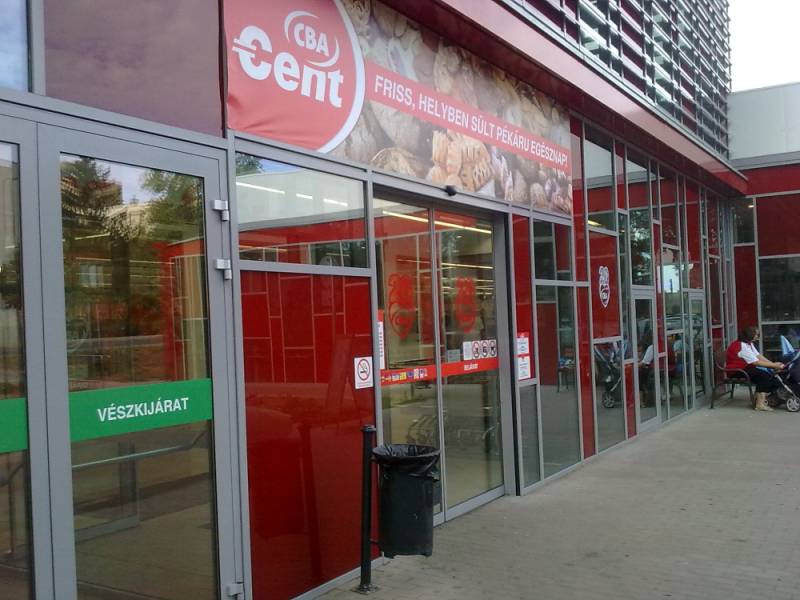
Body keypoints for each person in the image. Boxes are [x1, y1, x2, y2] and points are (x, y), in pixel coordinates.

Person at [726, 326, 784, 411]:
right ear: (750, 335)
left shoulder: (748, 343)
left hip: (744, 368)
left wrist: (772, 364)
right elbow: (756, 362)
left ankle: (757, 399)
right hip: (735, 371)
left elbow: (758, 356)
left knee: (768, 375)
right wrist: (774, 366)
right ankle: (759, 404)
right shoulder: (742, 346)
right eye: (756, 334)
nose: (758, 336)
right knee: (763, 376)